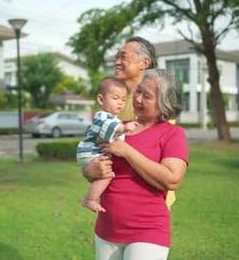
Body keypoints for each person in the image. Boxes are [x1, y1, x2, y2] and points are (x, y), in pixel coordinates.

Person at [93, 70, 188, 259]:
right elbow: (92, 165)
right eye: (138, 91)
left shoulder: (172, 133)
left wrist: (127, 151)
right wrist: (90, 170)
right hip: (107, 228)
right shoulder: (118, 126)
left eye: (147, 96)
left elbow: (172, 179)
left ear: (164, 105)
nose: (137, 99)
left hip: (148, 231)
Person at [82, 36, 177, 208]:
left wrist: (125, 150)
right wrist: (89, 170)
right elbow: (95, 148)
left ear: (144, 63)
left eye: (123, 57)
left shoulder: (159, 106)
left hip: (150, 205)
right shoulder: (113, 102)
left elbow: (168, 171)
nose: (117, 62)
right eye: (117, 57)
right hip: (113, 204)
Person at [77, 77, 139, 213]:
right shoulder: (102, 116)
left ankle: (90, 198)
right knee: (107, 176)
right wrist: (124, 128)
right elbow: (111, 127)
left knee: (106, 175)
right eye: (115, 98)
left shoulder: (113, 118)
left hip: (93, 152)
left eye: (123, 99)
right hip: (92, 152)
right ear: (101, 99)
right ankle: (90, 199)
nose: (120, 103)